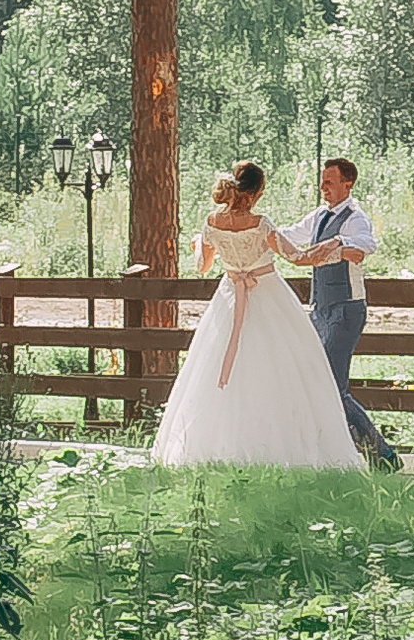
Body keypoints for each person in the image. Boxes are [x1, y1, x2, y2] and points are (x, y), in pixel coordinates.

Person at [150, 164, 361, 471]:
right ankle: (286, 449)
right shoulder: (261, 225)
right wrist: (336, 247)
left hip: (228, 299)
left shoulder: (212, 223)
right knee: (284, 369)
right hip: (269, 298)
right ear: (257, 192)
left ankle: (217, 446)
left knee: (222, 370)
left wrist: (199, 244)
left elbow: (204, 267)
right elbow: (298, 258)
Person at [298, 156, 398, 468]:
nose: (323, 187)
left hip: (346, 311)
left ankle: (381, 455)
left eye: (329, 181)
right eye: (322, 181)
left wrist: (339, 242)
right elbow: (290, 235)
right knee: (317, 383)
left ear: (347, 183)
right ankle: (336, 452)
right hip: (320, 311)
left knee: (332, 386)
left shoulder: (355, 218)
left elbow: (366, 245)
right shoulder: (319, 216)